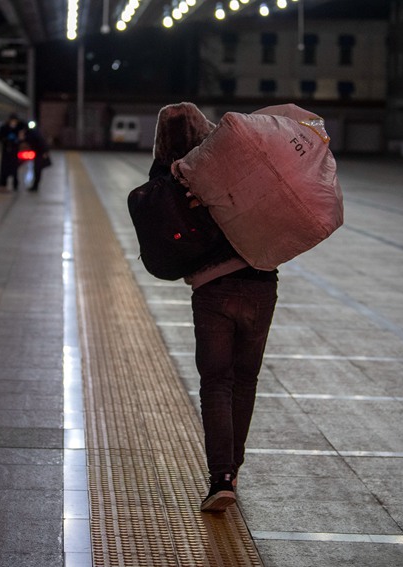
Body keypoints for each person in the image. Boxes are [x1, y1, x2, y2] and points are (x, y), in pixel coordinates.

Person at [149, 102, 278, 513]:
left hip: (211, 289)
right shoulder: (231, 162)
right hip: (260, 282)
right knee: (245, 380)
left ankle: (221, 477)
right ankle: (232, 471)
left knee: (216, 383)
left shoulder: (166, 176)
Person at [21, 121, 51, 191]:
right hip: (39, 153)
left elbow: (40, 143)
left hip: (40, 153)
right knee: (37, 169)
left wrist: (45, 152)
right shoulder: (35, 133)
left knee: (37, 169)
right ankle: (35, 186)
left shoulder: (32, 134)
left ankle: (35, 186)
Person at [0, 113, 24, 190]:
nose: (13, 122)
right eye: (12, 120)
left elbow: (22, 135)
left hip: (14, 151)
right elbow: (0, 137)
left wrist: (16, 140)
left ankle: (15, 184)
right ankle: (3, 184)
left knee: (14, 169)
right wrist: (6, 139)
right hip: (6, 151)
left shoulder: (19, 128)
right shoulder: (4, 128)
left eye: (15, 121)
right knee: (4, 169)